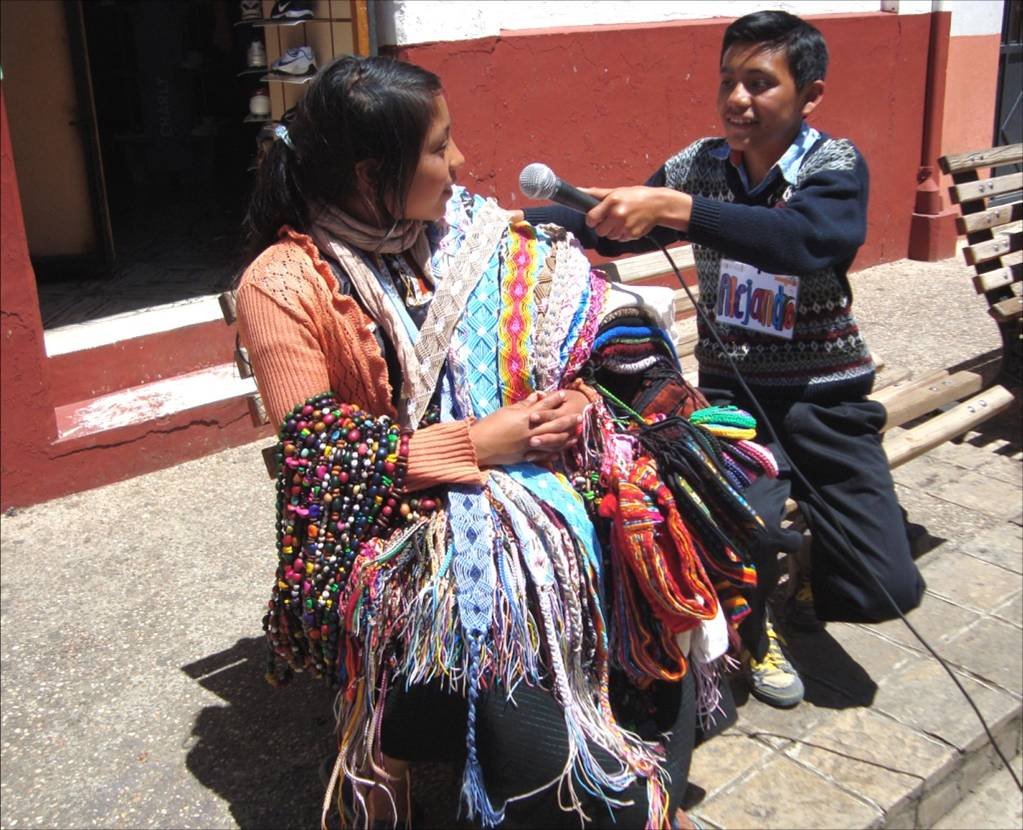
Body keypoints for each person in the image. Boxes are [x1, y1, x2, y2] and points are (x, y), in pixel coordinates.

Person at [236, 55, 772, 828]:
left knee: (646, 532)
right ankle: (607, 795)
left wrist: (579, 400)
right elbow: (321, 457)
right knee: (508, 616)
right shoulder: (282, 284)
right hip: (401, 530)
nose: (459, 164)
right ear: (368, 173)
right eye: (437, 148)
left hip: (530, 491)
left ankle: (623, 759)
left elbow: (595, 328)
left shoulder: (466, 236)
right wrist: (480, 445)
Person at [524, 10, 926, 710]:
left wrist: (675, 208)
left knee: (885, 586)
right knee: (737, 530)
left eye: (759, 83)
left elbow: (803, 242)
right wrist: (529, 222)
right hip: (733, 407)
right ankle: (755, 629)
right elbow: (617, 232)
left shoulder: (833, 166)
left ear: (810, 95)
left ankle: (807, 570)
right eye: (728, 81)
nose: (738, 99)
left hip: (823, 398)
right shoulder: (697, 166)